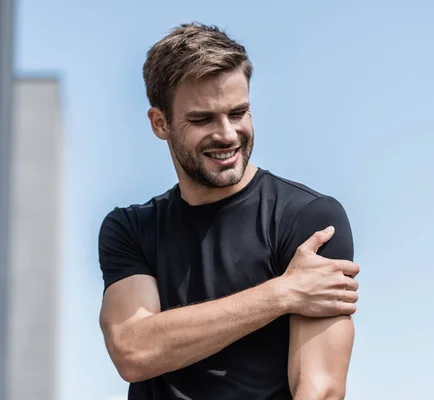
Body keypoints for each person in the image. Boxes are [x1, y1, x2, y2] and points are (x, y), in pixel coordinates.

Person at [98, 22, 360, 400]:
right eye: (203, 119)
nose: (227, 134)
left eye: (238, 112)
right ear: (160, 123)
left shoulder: (308, 219)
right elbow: (134, 350)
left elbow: (321, 389)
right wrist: (282, 293)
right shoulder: (131, 228)